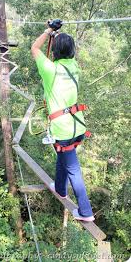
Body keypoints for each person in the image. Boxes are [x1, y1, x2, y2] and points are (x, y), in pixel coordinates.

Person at [31, 19, 95, 222]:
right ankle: (60, 189)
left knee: (73, 170)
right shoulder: (75, 67)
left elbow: (34, 47)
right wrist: (56, 35)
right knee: (64, 157)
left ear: (56, 51)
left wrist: (49, 30)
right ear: (72, 51)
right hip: (77, 126)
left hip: (64, 129)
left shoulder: (50, 70)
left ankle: (86, 211)